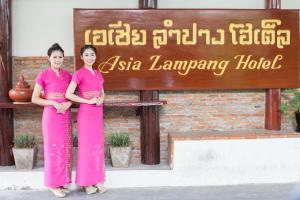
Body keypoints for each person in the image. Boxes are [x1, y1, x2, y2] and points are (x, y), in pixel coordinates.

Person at [31, 43, 73, 198]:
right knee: (52, 149)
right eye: (54, 57)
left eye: (60, 57)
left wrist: (68, 103)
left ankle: (61, 182)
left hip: (65, 115)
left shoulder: (68, 75)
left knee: (64, 149)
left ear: (64, 58)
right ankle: (53, 184)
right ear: (49, 58)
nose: (57, 60)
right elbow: (34, 98)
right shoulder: (43, 75)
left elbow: (73, 96)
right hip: (51, 116)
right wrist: (53, 103)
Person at [65, 44, 107, 195]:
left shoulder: (98, 73)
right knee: (86, 147)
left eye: (92, 55)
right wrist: (87, 101)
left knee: (97, 147)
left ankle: (97, 180)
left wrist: (101, 99)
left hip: (97, 113)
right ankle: (86, 183)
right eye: (87, 55)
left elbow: (102, 93)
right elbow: (69, 94)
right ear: (82, 57)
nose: (90, 57)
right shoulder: (78, 74)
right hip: (86, 114)